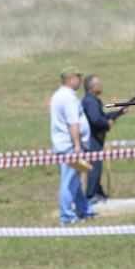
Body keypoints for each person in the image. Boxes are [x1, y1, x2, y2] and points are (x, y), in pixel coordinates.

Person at [50, 69, 97, 224]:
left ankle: (85, 211)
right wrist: (77, 145)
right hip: (70, 146)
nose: (80, 80)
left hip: (63, 144)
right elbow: (73, 123)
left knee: (75, 182)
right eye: (78, 77)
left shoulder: (57, 96)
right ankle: (67, 215)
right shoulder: (69, 98)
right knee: (69, 182)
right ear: (70, 79)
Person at [82, 74, 128, 203]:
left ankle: (97, 192)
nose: (100, 86)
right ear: (91, 87)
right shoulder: (90, 101)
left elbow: (101, 116)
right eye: (98, 84)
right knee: (94, 167)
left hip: (95, 138)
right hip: (92, 139)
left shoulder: (92, 100)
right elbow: (96, 120)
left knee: (96, 167)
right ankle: (91, 195)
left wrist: (118, 113)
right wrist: (106, 123)